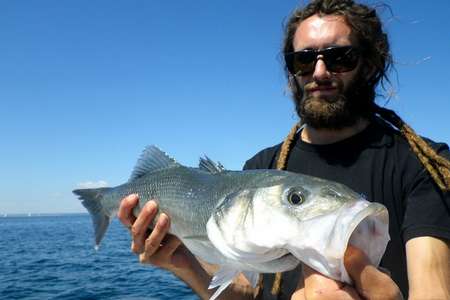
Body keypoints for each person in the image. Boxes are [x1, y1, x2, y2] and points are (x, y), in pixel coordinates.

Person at [118, 0, 450, 299]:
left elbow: (433, 289)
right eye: (303, 60)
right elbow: (248, 292)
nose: (320, 72)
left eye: (340, 57)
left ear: (369, 64)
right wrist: (183, 263)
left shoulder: (425, 165)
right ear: (292, 72)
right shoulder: (262, 165)